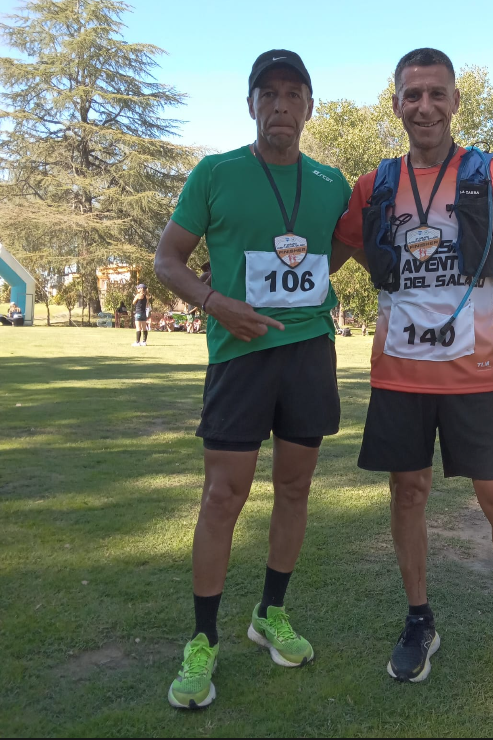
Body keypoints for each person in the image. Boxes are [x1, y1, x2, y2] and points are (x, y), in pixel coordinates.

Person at [331, 48, 493, 706]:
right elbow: (332, 254)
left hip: (475, 374)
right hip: (399, 376)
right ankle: (420, 621)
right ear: (396, 105)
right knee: (406, 493)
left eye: (436, 94)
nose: (424, 107)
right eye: (412, 95)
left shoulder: (489, 174)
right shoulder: (373, 186)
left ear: (454, 102)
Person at [154, 50, 351, 709]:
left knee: (294, 488)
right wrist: (217, 304)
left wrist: (310, 283)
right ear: (250, 106)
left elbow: (339, 248)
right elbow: (168, 259)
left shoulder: (330, 183)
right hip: (238, 355)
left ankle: (270, 612)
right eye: (268, 94)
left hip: (309, 354)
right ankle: (202, 638)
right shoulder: (216, 173)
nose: (280, 105)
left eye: (293, 94)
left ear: (308, 107)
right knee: (222, 496)